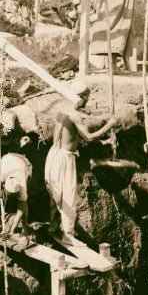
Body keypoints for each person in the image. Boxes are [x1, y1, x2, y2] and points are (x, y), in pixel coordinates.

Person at [45, 81, 116, 239]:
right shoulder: (74, 115)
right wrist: (109, 125)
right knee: (69, 194)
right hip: (65, 158)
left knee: (56, 192)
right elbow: (88, 137)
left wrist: (103, 142)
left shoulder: (62, 111)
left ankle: (53, 226)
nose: (87, 100)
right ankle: (68, 232)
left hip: (54, 154)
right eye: (86, 97)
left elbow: (71, 135)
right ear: (81, 97)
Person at [0, 138, 33, 248]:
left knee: (23, 203)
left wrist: (11, 231)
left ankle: (25, 228)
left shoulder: (22, 182)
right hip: (9, 158)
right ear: (3, 186)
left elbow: (21, 208)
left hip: (24, 163)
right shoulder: (1, 175)